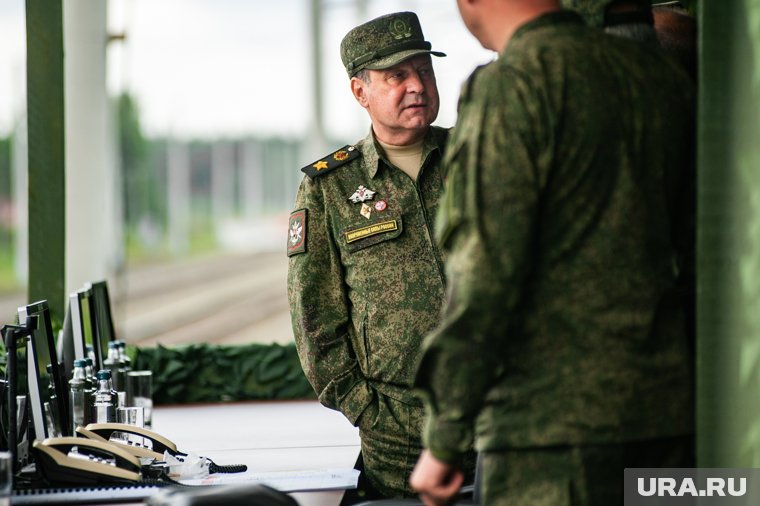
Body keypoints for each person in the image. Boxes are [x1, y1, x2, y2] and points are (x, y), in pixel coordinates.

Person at [410, 0, 695, 504]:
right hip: (665, 418)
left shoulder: (513, 84)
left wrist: (445, 438)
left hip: (550, 436)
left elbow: (485, 274)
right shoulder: (654, 75)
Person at [287, 11, 456, 499]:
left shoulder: (474, 154)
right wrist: (369, 411)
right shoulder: (331, 187)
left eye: (423, 70)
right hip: (396, 436)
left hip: (497, 415)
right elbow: (314, 320)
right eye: (396, 76)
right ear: (360, 91)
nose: (416, 86)